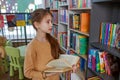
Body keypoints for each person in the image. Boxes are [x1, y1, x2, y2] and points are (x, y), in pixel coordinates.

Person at [24, 8, 78, 80]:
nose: (51, 25)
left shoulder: (53, 41)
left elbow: (61, 59)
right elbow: (27, 72)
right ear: (37, 24)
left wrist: (72, 65)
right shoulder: (32, 46)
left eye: (51, 22)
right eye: (47, 22)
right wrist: (45, 75)